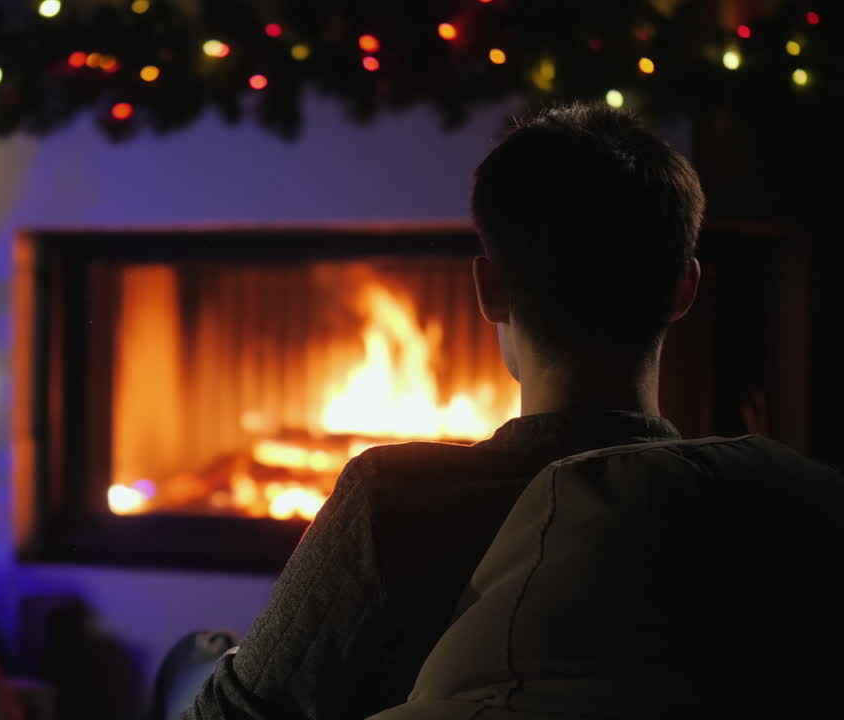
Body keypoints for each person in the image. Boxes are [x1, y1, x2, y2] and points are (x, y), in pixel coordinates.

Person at [176, 102, 709, 719]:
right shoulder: (755, 509)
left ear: (489, 290)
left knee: (193, 662)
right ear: (685, 290)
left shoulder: (396, 506)